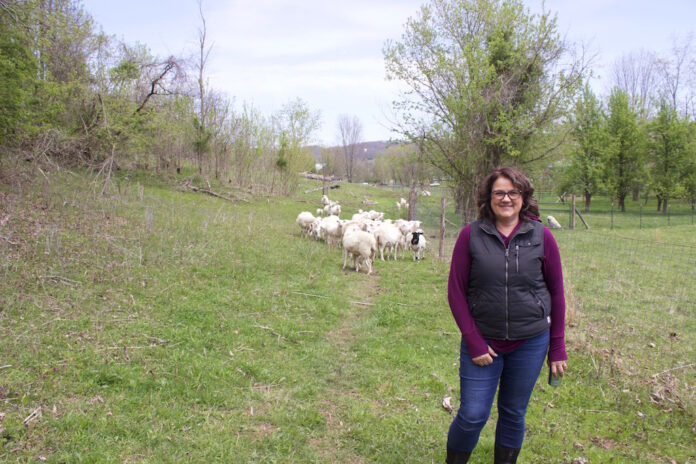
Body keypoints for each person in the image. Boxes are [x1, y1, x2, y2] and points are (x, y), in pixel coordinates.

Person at [445, 167, 567, 464]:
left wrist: (557, 347)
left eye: (513, 192)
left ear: (523, 197)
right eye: (499, 192)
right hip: (483, 344)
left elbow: (557, 292)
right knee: (473, 414)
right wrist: (473, 340)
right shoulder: (470, 236)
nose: (506, 198)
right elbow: (456, 292)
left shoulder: (543, 237)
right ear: (489, 197)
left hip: (531, 343)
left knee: (513, 413)